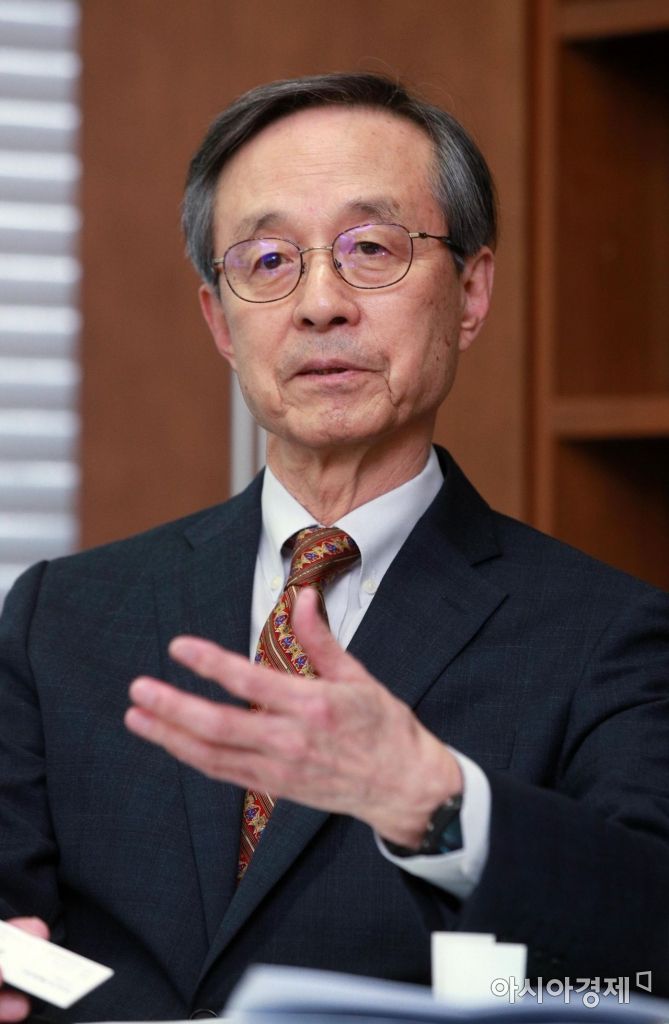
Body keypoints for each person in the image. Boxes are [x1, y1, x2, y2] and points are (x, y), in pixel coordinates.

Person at [1, 72, 668, 1023]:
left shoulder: (609, 635)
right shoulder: (60, 615)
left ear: (471, 291)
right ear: (218, 319)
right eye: (269, 260)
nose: (319, 303)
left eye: (370, 249)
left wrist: (436, 802)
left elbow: (648, 950)